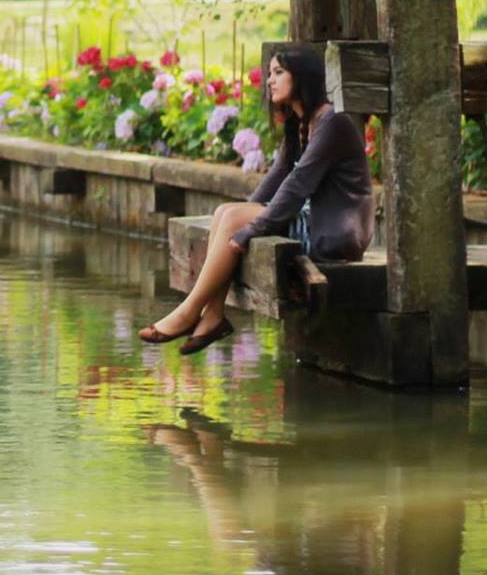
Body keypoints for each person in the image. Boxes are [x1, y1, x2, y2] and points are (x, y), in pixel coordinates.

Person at [138, 47, 375, 354]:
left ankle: (189, 311)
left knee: (235, 218)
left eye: (278, 73)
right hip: (312, 221)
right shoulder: (300, 124)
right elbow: (276, 179)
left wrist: (251, 227)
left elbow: (296, 187)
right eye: (269, 74)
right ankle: (212, 315)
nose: (269, 81)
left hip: (333, 235)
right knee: (226, 211)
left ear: (302, 77)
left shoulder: (332, 123)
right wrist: (241, 216)